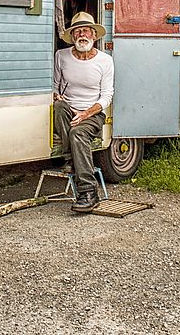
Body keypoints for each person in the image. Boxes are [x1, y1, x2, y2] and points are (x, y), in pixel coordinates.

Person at [53, 11, 114, 213]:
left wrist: (86, 114)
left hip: (93, 114)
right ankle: (71, 159)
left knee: (78, 132)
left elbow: (107, 96)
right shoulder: (61, 56)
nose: (82, 35)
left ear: (94, 36)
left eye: (86, 31)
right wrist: (56, 95)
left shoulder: (105, 61)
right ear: (72, 37)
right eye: (77, 31)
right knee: (59, 108)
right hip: (69, 110)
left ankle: (88, 192)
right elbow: (54, 85)